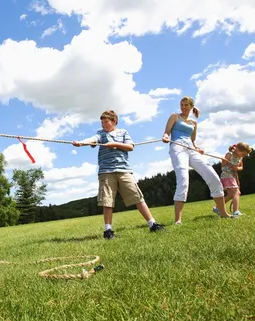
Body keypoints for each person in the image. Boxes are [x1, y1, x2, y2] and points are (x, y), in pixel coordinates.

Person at [73, 110, 165, 239]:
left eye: (106, 122)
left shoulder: (123, 132)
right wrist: (82, 142)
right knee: (107, 201)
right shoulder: (100, 134)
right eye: (102, 122)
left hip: (124, 170)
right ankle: (108, 231)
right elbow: (92, 140)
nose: (103, 125)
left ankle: (152, 224)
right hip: (106, 171)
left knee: (137, 196)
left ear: (114, 121)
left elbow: (130, 147)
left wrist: (115, 144)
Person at [161, 96, 233, 224]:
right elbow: (166, 133)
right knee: (183, 179)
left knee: (213, 177)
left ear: (191, 107)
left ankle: (223, 213)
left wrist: (197, 148)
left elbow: (193, 141)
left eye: (186, 105)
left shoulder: (194, 123)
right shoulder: (174, 116)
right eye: (181, 105)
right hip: (177, 147)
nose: (183, 107)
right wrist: (166, 137)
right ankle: (178, 220)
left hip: (191, 149)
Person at [213, 142, 253, 217]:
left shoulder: (240, 157)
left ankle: (217, 207)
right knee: (237, 192)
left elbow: (241, 167)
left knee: (231, 194)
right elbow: (223, 165)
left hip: (232, 176)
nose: (243, 156)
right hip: (227, 175)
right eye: (243, 154)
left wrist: (236, 168)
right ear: (237, 149)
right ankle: (236, 212)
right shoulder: (229, 154)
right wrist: (223, 160)